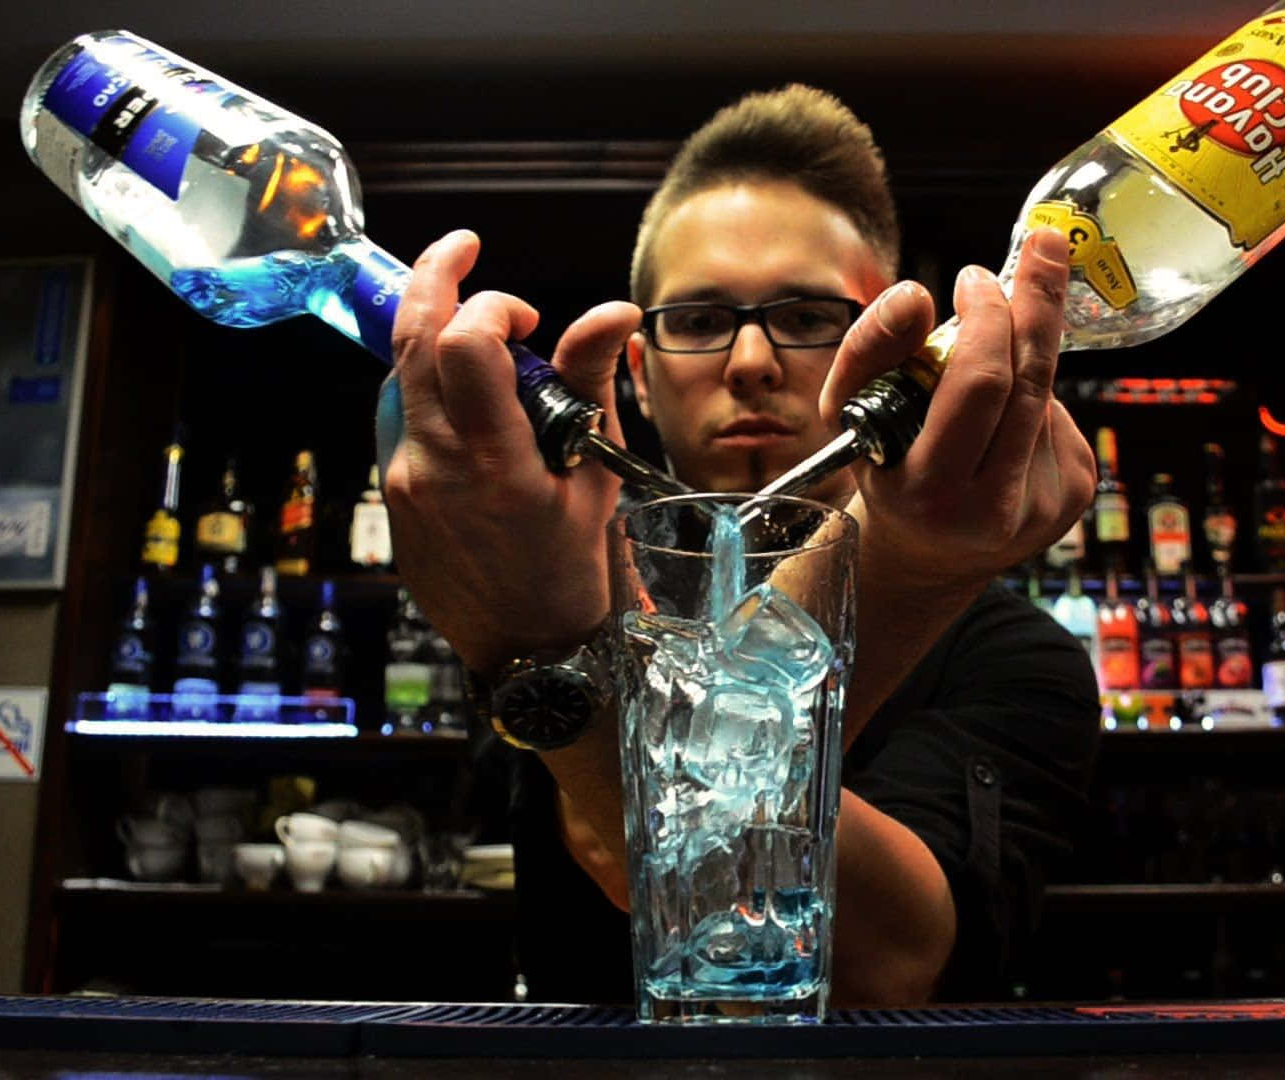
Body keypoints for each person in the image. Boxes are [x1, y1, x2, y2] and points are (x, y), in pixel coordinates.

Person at [377, 85, 1100, 1005]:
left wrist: (903, 565)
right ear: (637, 373)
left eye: (804, 317)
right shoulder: (570, 585)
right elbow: (607, 853)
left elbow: (888, 962)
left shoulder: (1013, 654)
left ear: (895, 346)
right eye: (700, 320)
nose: (751, 361)